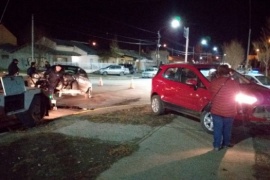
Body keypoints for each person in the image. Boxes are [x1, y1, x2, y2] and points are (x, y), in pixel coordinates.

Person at [210, 65, 240, 151]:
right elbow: (237, 93)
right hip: (230, 110)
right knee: (227, 129)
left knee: (217, 129)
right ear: (228, 72)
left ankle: (216, 146)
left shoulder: (214, 82)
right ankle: (226, 144)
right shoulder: (233, 83)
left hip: (216, 110)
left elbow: (211, 92)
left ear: (218, 72)